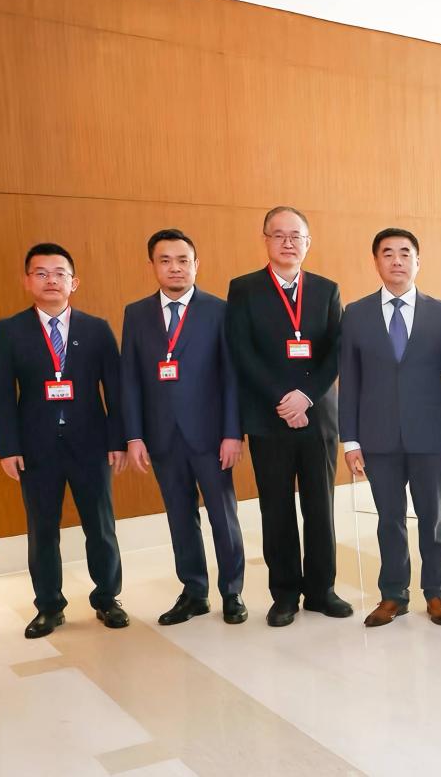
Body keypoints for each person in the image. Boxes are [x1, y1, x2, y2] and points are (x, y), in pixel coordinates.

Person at [0, 243, 128, 638]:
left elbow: (115, 391)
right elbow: (1, 394)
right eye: (41, 273)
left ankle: (107, 598)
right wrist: (8, 447)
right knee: (42, 530)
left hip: (92, 445)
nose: (50, 280)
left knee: (100, 526)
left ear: (74, 282)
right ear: (27, 281)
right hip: (36, 449)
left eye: (59, 273)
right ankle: (49, 606)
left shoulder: (97, 328)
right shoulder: (10, 330)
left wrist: (118, 440)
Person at [225, 206, 350, 627]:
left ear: (308, 242)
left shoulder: (327, 290)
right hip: (268, 416)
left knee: (321, 507)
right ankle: (284, 595)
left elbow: (335, 353)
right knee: (276, 509)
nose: (287, 242)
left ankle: (322, 591)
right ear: (265, 240)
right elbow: (242, 351)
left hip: (317, 417)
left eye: (296, 235)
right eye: (278, 235)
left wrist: (306, 397)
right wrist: (283, 399)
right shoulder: (244, 289)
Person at [121, 229, 247, 626]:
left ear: (196, 265)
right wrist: (134, 435)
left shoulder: (219, 310)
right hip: (162, 436)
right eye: (165, 260)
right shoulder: (136, 314)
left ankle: (232, 591)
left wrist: (232, 433)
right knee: (179, 516)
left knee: (223, 516)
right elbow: (130, 380)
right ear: (152, 266)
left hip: (212, 437)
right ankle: (194, 592)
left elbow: (232, 377)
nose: (175, 268)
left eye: (183, 260)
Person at [339, 228, 441, 628]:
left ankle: (436, 592)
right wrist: (350, 440)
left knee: (432, 517)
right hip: (378, 437)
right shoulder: (356, 314)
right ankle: (393, 594)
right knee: (389, 518)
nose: (396, 260)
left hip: (431, 436)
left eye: (405, 253)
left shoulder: (440, 313)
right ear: (376, 261)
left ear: (417, 261)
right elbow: (349, 380)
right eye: (388, 253)